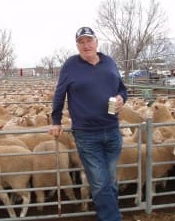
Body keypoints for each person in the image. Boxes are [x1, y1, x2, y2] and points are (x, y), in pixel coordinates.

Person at [49, 26, 128, 221]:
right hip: (86, 133)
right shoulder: (70, 65)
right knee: (100, 182)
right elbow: (59, 95)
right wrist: (56, 121)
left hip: (112, 130)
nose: (86, 45)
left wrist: (121, 98)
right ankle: (112, 218)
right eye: (81, 42)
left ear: (96, 42)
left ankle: (108, 212)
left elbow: (123, 89)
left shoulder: (109, 62)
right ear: (77, 45)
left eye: (89, 41)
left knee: (110, 180)